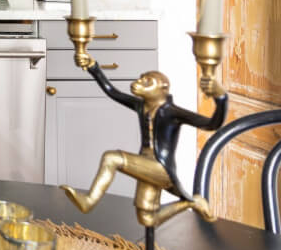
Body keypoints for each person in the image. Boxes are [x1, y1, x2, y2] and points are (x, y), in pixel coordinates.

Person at [62, 65, 228, 227]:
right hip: (145, 165)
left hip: (161, 169)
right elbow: (112, 92)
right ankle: (191, 203)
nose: (138, 83)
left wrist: (221, 98)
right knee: (147, 219)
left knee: (111, 158)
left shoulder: (172, 112)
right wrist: (93, 67)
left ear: (163, 88)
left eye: (147, 81)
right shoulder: (141, 105)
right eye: (141, 79)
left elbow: (212, 124)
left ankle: (89, 201)